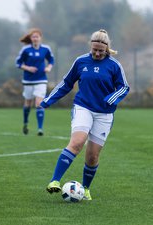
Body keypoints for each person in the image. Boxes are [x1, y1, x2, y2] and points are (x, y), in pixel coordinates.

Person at [41, 29, 129, 200]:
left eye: (101, 51)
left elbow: (124, 87)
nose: (97, 53)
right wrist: (48, 100)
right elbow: (66, 83)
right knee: (77, 142)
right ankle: (54, 181)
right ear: (91, 46)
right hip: (83, 107)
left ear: (107, 49)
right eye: (94, 49)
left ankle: (85, 189)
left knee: (92, 155)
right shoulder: (81, 61)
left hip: (104, 114)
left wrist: (111, 99)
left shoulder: (114, 65)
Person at [16, 28, 54, 135]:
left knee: (39, 103)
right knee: (28, 102)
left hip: (41, 80)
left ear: (40, 38)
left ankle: (40, 129)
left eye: (37, 36)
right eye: (33, 37)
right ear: (31, 38)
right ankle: (25, 123)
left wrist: (49, 68)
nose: (35, 38)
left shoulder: (46, 49)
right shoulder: (26, 50)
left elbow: (51, 60)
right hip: (28, 80)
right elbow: (18, 63)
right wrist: (28, 68)